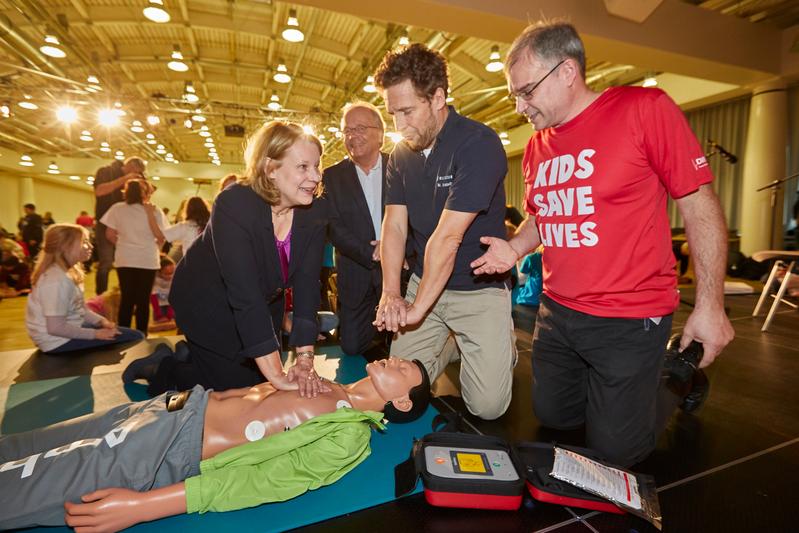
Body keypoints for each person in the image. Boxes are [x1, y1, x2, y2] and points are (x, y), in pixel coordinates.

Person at [470, 22, 734, 466]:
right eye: (515, 94)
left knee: (616, 452)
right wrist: (516, 248)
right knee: (555, 415)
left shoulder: (644, 109)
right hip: (558, 313)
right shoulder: (538, 145)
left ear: (567, 71)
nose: (519, 106)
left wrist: (711, 304)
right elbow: (542, 215)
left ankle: (678, 374)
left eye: (527, 91)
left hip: (628, 317)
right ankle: (622, 392)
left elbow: (698, 203)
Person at [0, 357, 430, 530]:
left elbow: (263, 481)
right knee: (22, 445)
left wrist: (141, 506)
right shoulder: (327, 381)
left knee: (22, 485)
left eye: (405, 369)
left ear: (402, 399)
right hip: (171, 407)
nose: (396, 359)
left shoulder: (349, 436)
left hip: (165, 450)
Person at [130, 121, 329, 397]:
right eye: (304, 167)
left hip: (262, 304)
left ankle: (198, 357)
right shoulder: (235, 203)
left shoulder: (314, 212)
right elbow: (244, 294)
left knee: (260, 384)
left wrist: (305, 359)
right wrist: (276, 376)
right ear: (270, 168)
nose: (316, 176)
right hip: (209, 302)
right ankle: (166, 368)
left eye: (317, 166)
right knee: (238, 391)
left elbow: (308, 285)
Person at [372, 43, 516, 420]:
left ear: (438, 98)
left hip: (476, 287)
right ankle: (451, 342)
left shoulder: (477, 144)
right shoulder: (401, 155)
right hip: (424, 279)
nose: (399, 126)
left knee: (487, 408)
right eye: (392, 114)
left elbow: (447, 238)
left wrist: (416, 310)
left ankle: (488, 341)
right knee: (395, 390)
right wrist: (391, 293)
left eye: (407, 111)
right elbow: (394, 226)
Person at [324, 102, 392, 357]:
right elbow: (333, 226)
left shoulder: (401, 168)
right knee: (351, 347)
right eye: (347, 131)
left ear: (381, 135)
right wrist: (371, 252)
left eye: (360, 128)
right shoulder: (330, 177)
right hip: (355, 271)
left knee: (403, 348)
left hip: (398, 271)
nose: (352, 136)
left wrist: (395, 249)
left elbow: (416, 217)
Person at [24, 224, 143, 354]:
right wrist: (96, 334)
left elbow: (81, 310)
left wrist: (101, 321)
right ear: (65, 246)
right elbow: (55, 327)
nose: (91, 246)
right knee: (135, 337)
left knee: (127, 333)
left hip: (65, 332)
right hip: (57, 341)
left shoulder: (68, 273)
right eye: (84, 242)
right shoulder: (56, 280)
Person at [100, 179, 167, 334]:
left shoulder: (117, 208)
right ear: (146, 192)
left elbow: (109, 235)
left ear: (126, 191)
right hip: (147, 259)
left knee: (127, 299)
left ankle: (124, 334)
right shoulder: (155, 210)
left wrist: (125, 244)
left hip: (125, 259)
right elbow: (161, 236)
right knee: (143, 300)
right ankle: (142, 335)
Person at [93, 156, 146, 295]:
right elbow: (99, 191)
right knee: (106, 262)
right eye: (137, 172)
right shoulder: (105, 171)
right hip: (104, 223)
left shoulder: (134, 180)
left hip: (126, 225)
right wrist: (125, 179)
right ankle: (101, 296)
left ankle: (126, 295)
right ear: (131, 166)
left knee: (128, 261)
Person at [149, 196, 210, 264]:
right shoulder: (211, 225)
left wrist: (150, 214)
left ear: (187, 210)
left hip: (192, 264)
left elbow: (160, 236)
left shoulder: (185, 226)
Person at [150, 254, 176, 325]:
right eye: (166, 274)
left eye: (172, 273)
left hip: (171, 306)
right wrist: (159, 315)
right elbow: (153, 298)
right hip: (159, 306)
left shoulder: (175, 279)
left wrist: (170, 315)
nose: (170, 276)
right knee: (158, 321)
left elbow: (175, 297)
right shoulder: (156, 280)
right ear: (159, 272)